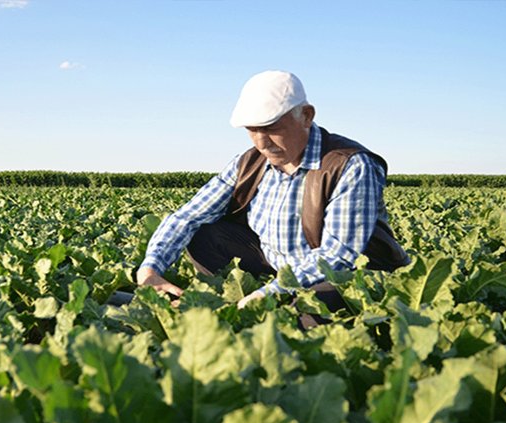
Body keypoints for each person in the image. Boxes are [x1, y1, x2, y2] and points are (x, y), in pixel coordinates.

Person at [136, 70, 409, 325]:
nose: (261, 142)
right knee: (204, 234)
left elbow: (339, 255)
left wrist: (271, 292)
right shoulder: (249, 162)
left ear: (307, 116)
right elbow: (188, 216)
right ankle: (235, 303)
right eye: (252, 130)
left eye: (271, 128)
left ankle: (269, 313)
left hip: (342, 276)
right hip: (275, 266)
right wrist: (150, 269)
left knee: (311, 312)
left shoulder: (349, 164)